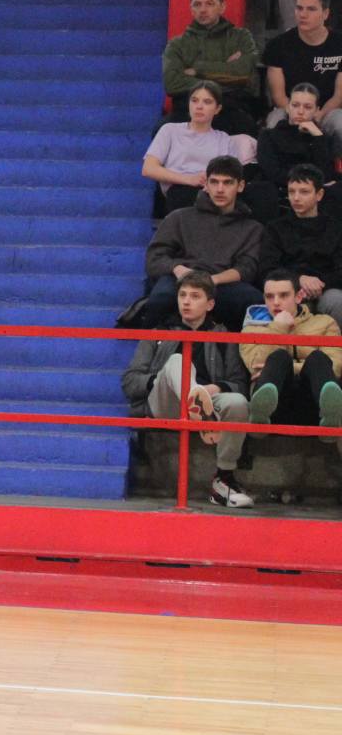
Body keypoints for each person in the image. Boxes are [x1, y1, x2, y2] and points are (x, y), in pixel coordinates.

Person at [120, 270, 253, 508]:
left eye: (195, 296)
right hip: (166, 402)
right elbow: (130, 381)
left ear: (210, 304)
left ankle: (224, 477)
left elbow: (239, 384)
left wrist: (215, 387)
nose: (186, 301)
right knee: (178, 362)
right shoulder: (159, 333)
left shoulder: (225, 337)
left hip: (209, 399)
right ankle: (196, 401)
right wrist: (159, 380)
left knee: (238, 403)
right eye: (182, 295)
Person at [140, 155, 264, 331]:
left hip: (222, 283)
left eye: (227, 183)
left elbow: (247, 268)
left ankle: (235, 349)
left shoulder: (252, 228)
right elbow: (155, 258)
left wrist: (212, 280)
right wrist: (179, 269)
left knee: (253, 301)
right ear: (206, 183)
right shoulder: (179, 217)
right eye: (214, 182)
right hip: (181, 278)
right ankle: (152, 346)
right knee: (161, 298)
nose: (220, 189)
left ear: (240, 186)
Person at [243, 268, 342, 430]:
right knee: (279, 357)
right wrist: (278, 328)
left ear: (299, 296)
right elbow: (255, 366)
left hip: (313, 401)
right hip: (276, 405)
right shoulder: (251, 329)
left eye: (283, 295)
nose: (276, 302)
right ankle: (260, 420)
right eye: (269, 296)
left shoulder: (325, 322)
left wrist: (294, 367)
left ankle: (330, 420)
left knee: (318, 358)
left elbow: (335, 367)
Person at [161, 0, 260, 131]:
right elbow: (172, 83)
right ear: (191, 9)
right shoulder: (177, 44)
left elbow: (244, 74)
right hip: (187, 109)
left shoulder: (241, 37)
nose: (203, 10)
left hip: (229, 108)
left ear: (222, 7)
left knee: (248, 128)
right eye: (197, 4)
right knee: (161, 129)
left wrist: (198, 70)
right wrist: (225, 75)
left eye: (209, 4)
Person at [258, 163, 342, 324]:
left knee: (338, 302)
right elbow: (267, 268)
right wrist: (299, 280)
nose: (296, 198)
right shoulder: (276, 228)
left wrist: (318, 284)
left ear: (319, 194)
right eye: (291, 192)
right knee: (284, 302)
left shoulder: (336, 228)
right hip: (288, 290)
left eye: (304, 192)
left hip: (328, 289)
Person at [262, 0, 342, 151]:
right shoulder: (277, 45)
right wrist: (298, 113)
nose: (303, 14)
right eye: (299, 8)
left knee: (340, 123)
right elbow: (278, 95)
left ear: (325, 13)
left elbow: (339, 95)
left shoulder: (339, 44)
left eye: (311, 9)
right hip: (289, 109)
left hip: (327, 110)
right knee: (274, 122)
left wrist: (319, 114)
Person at [143, 81, 237, 215]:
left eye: (207, 102)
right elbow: (149, 168)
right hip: (179, 189)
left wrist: (210, 183)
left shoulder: (224, 139)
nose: (199, 106)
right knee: (184, 195)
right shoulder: (170, 130)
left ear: (217, 109)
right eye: (194, 100)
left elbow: (231, 173)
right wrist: (189, 179)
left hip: (212, 191)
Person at [249, 84, 331, 221]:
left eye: (307, 107)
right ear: (288, 107)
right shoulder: (268, 135)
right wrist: (303, 183)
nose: (300, 111)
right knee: (262, 190)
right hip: (278, 188)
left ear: (317, 110)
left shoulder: (322, 138)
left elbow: (326, 172)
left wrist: (318, 137)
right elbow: (271, 171)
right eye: (295, 105)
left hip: (314, 192)